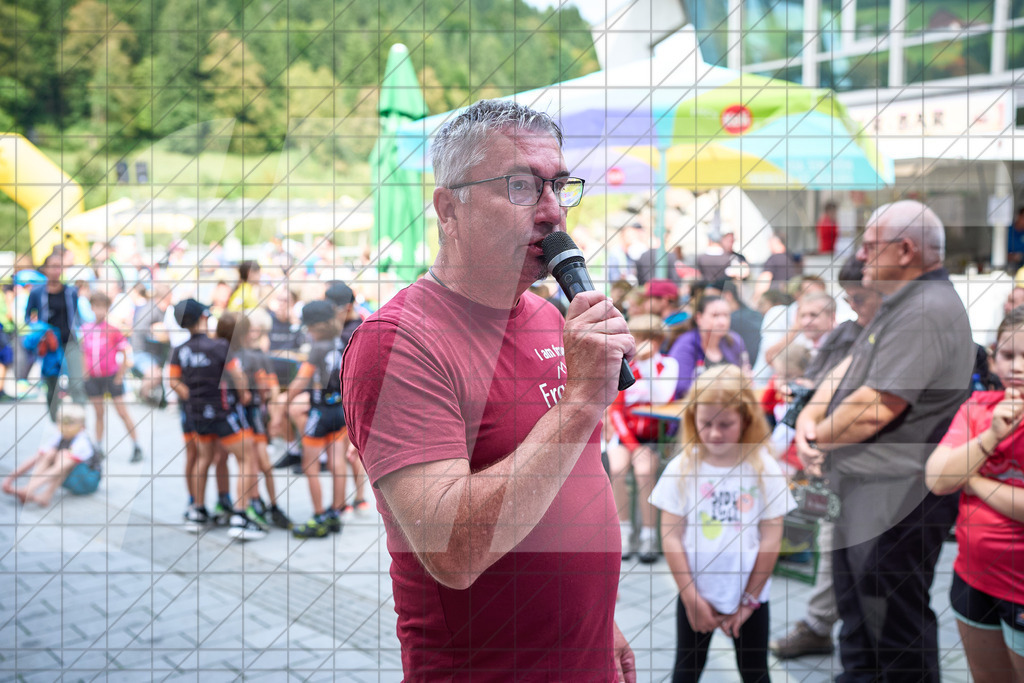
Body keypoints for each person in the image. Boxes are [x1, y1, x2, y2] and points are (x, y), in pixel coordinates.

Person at [341, 99, 637, 680]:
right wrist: (579, 403)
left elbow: (573, 478)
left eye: (559, 186)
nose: (553, 213)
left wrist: (597, 619)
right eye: (523, 187)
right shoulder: (398, 344)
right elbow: (452, 551)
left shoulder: (553, 319)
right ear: (450, 207)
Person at [795, 200, 974, 682]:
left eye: (871, 247)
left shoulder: (924, 309)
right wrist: (811, 421)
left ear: (906, 250)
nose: (862, 256)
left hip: (896, 496)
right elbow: (845, 374)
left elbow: (876, 407)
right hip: (869, 491)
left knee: (894, 631)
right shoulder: (901, 304)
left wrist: (816, 434)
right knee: (861, 621)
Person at [650, 364, 796, 682]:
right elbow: (671, 537)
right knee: (686, 671)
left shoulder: (764, 469)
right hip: (696, 592)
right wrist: (691, 599)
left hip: (751, 597)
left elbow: (772, 539)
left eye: (726, 424)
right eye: (706, 423)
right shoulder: (681, 469)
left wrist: (749, 601)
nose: (715, 433)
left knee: (755, 672)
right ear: (693, 419)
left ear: (745, 419)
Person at [769, 256, 883, 660]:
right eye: (851, 297)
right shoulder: (845, 336)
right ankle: (821, 624)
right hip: (835, 457)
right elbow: (815, 386)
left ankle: (840, 630)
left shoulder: (895, 335)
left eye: (861, 297)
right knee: (835, 541)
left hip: (879, 466)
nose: (856, 307)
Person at [925, 307, 1024, 683]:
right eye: (1009, 355)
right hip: (971, 579)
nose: (1017, 367)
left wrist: (973, 480)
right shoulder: (979, 407)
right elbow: (937, 478)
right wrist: (992, 437)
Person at [168, 298, 266, 541]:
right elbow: (237, 375)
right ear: (203, 317)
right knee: (246, 457)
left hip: (198, 414)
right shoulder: (220, 347)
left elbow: (173, 381)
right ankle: (240, 517)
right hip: (223, 413)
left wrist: (190, 396)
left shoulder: (179, 350)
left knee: (204, 458)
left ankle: (198, 510)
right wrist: (243, 395)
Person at [607, 314, 679, 563]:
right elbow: (616, 410)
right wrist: (633, 447)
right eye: (640, 339)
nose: (646, 344)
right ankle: (625, 532)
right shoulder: (621, 366)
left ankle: (649, 535)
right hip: (626, 434)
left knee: (644, 472)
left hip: (652, 435)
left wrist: (647, 365)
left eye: (651, 339)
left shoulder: (668, 365)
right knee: (617, 468)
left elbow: (661, 399)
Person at [287, 300, 346, 539]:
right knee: (337, 462)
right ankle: (336, 514)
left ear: (318, 326)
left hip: (320, 411)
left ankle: (320, 516)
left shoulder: (318, 347)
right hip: (340, 408)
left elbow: (302, 379)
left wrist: (285, 399)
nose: (308, 332)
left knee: (309, 465)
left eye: (309, 327)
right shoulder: (341, 341)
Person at [80, 292, 143, 463]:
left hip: (111, 376)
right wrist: (85, 373)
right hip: (93, 378)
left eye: (103, 307)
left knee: (122, 412)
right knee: (98, 413)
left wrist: (119, 376)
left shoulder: (113, 330)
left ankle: (136, 445)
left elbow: (125, 353)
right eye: (96, 306)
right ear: (91, 308)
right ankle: (98, 446)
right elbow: (83, 352)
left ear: (107, 309)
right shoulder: (86, 329)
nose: (99, 310)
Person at [24, 250, 87, 419]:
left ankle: (79, 424)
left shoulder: (71, 291)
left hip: (70, 341)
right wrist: (40, 328)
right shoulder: (37, 292)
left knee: (76, 383)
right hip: (50, 345)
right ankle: (56, 422)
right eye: (52, 267)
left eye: (58, 267)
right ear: (45, 269)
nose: (55, 270)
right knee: (52, 385)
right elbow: (28, 317)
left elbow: (77, 317)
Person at [3, 403, 94, 506]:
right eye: (62, 423)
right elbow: (35, 458)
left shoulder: (82, 441)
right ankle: (31, 490)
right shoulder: (60, 436)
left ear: (82, 426)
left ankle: (37, 492)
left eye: (70, 424)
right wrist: (9, 479)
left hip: (86, 480)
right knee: (50, 453)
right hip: (69, 477)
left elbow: (62, 465)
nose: (65, 427)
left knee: (63, 456)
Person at [667, 295, 749, 399]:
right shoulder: (685, 345)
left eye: (726, 315)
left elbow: (745, 376)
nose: (722, 322)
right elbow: (682, 388)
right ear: (699, 318)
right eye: (715, 315)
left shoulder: (734, 341)